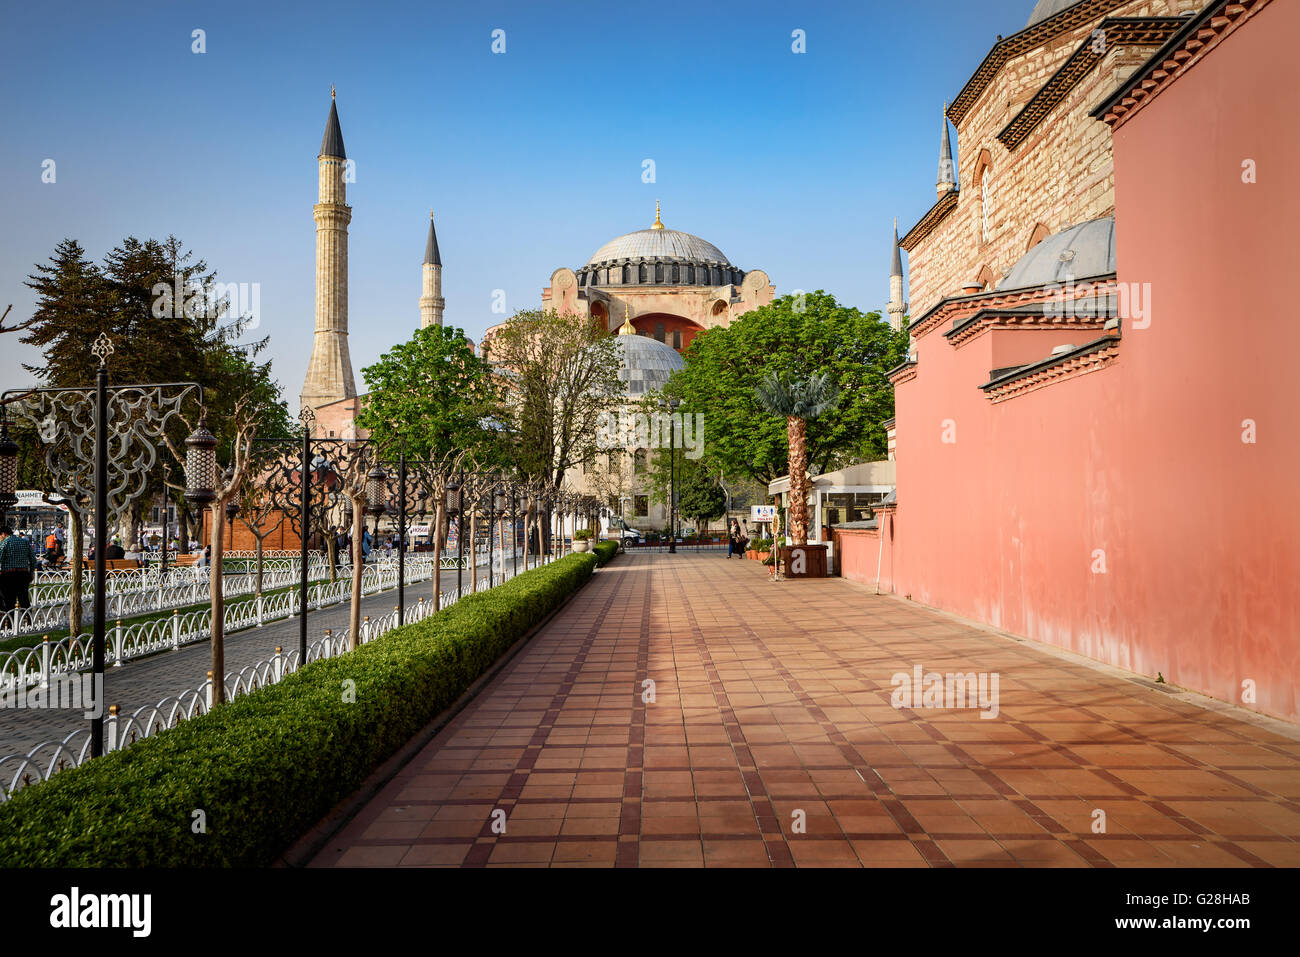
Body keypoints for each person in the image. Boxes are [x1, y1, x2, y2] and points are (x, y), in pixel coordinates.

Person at [0, 524, 37, 611]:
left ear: (3, 534)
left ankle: (10, 622)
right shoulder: (24, 541)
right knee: (24, 599)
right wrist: (31, 572)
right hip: (23, 574)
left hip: (9, 574)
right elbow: (33, 559)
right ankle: (28, 620)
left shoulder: (5, 543)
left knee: (9, 600)